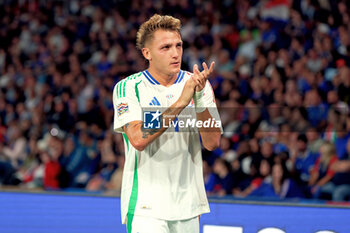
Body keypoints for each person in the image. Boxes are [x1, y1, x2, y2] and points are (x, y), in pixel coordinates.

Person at [112, 14, 222, 233]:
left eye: (178, 46)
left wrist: (198, 99)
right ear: (147, 53)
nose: (175, 53)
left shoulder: (198, 85)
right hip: (146, 207)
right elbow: (138, 138)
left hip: (188, 205)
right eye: (165, 47)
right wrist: (181, 101)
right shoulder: (129, 88)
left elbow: (212, 142)